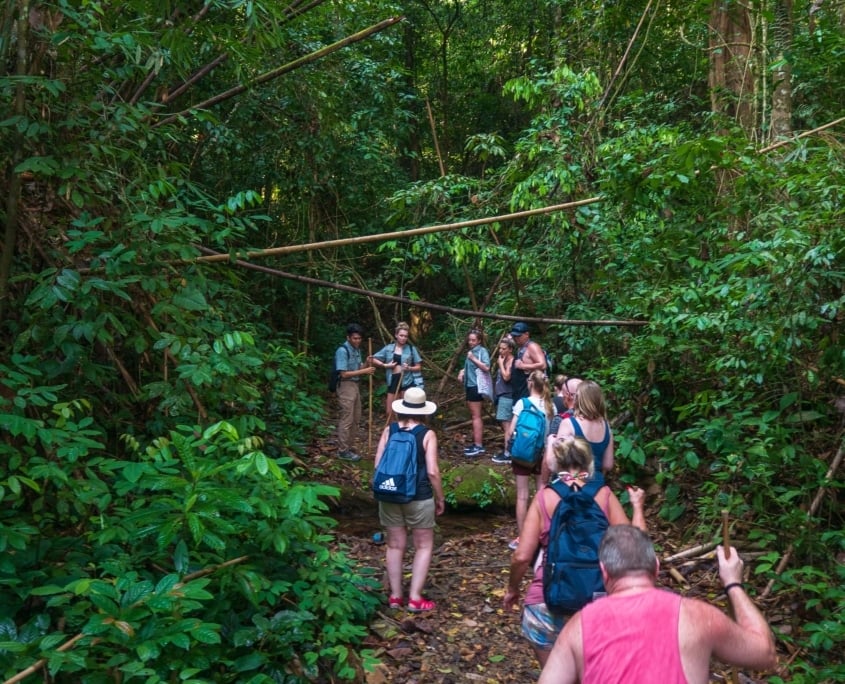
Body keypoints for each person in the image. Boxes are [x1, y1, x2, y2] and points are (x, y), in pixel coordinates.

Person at [538, 525, 778, 683]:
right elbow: (765, 653)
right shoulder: (696, 616)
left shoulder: (579, 627)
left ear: (604, 572)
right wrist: (733, 584)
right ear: (656, 567)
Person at [503, 437, 646, 667]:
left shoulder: (544, 498)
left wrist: (513, 589)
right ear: (589, 462)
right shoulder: (604, 494)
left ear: (555, 464)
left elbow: (521, 557)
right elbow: (635, 546)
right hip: (597, 602)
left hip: (547, 603)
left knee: (555, 674)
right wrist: (637, 507)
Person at [372, 387, 445, 612]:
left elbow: (377, 465)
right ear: (423, 411)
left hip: (389, 492)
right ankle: (414, 598)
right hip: (418, 495)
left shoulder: (389, 431)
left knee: (394, 545)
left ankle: (395, 597)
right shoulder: (427, 434)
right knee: (423, 545)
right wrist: (440, 498)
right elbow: (432, 471)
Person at [507, 370, 553, 550]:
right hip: (542, 455)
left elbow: (511, 431)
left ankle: (523, 537)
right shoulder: (551, 406)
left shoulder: (522, 403)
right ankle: (542, 533)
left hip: (522, 455)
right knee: (541, 493)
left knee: (522, 496)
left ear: (531, 383)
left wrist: (508, 449)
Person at [333, 323, 375, 462]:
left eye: (359, 338)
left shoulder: (356, 350)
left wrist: (367, 364)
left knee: (356, 418)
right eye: (354, 338)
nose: (357, 341)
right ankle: (342, 451)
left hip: (355, 386)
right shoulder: (342, 350)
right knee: (347, 418)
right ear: (348, 337)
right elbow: (344, 374)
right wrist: (365, 371)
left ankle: (349, 447)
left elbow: (359, 368)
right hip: (345, 386)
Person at [556, 380, 613, 478]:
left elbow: (558, 460)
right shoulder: (606, 426)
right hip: (597, 483)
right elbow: (608, 465)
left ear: (579, 399)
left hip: (572, 482)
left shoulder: (569, 423)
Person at [370, 321, 424, 417]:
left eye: (405, 336)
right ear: (396, 335)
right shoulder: (388, 348)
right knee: (389, 412)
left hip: (407, 381)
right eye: (401, 335)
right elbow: (372, 359)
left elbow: (419, 366)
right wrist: (385, 365)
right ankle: (393, 431)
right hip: (393, 380)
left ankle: (404, 430)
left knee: (405, 412)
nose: (403, 338)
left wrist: (409, 368)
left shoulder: (411, 349)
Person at [457, 328, 491, 458]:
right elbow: (469, 367)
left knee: (476, 416)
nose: (471, 342)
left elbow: (486, 367)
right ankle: (477, 444)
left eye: (473, 340)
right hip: (470, 385)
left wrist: (472, 358)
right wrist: (462, 371)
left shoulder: (482, 351)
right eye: (469, 340)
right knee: (474, 415)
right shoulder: (471, 352)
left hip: (476, 386)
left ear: (479, 341)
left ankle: (478, 446)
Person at [491, 336, 516, 465]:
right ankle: (509, 451)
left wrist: (500, 364)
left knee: (507, 426)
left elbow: (507, 377)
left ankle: (508, 453)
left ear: (510, 349)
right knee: (506, 425)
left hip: (507, 396)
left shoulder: (511, 361)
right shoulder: (505, 359)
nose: (501, 351)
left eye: (504, 349)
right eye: (500, 348)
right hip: (502, 395)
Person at [509, 322, 548, 400]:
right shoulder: (521, 348)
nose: (516, 338)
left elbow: (543, 364)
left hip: (528, 390)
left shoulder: (532, 346)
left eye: (519, 336)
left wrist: (523, 366)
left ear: (527, 334)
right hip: (519, 390)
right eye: (514, 336)